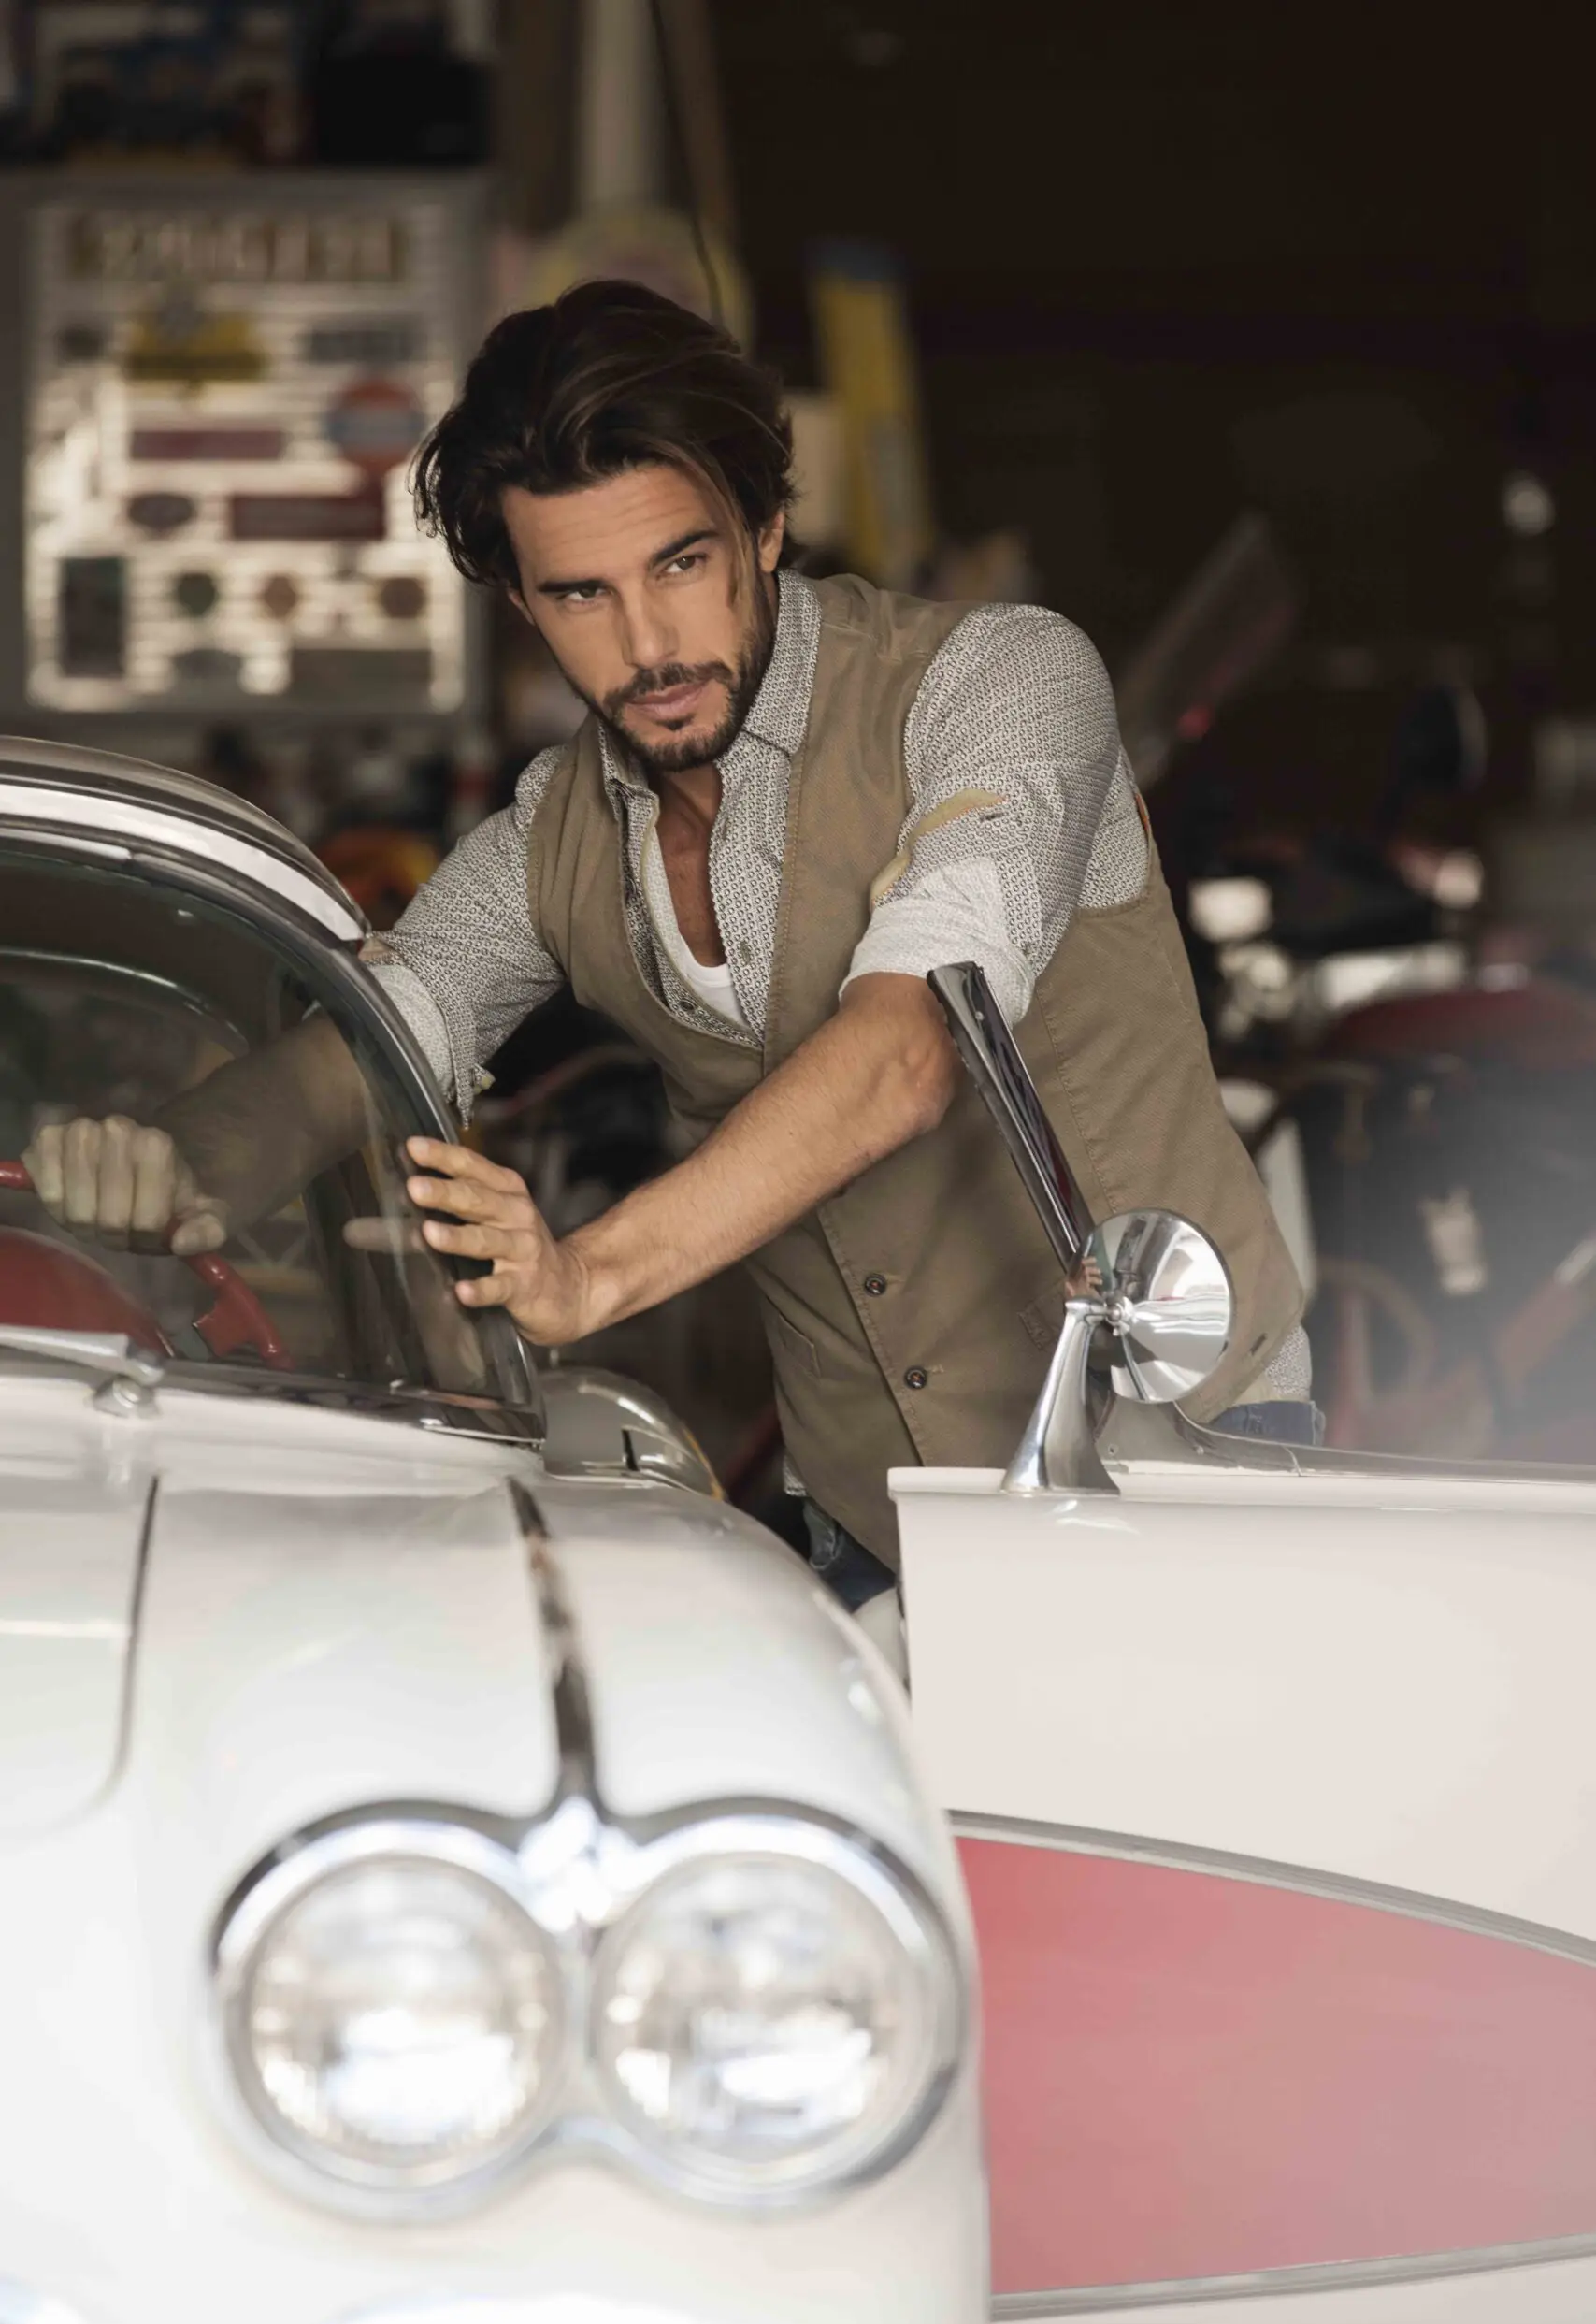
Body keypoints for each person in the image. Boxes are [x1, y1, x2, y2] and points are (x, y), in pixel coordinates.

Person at [28, 279, 1308, 1608]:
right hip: (871, 1514)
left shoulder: (999, 683)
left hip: (1167, 1467)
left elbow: (909, 1050)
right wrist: (172, 1160)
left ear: (762, 528)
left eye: (679, 564)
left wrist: (586, 1273)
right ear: (521, 605)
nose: (646, 647)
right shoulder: (553, 835)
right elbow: (367, 1045)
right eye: (581, 595)